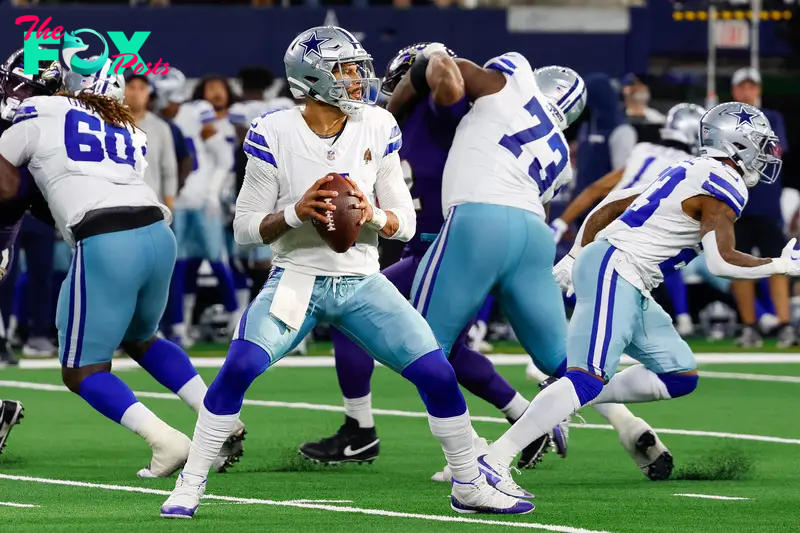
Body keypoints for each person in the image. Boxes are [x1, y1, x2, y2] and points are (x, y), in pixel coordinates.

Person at [160, 26, 532, 519]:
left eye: (357, 67)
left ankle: (467, 483)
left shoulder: (378, 124)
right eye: (346, 69)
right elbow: (245, 228)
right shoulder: (274, 131)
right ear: (312, 77)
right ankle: (190, 483)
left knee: (438, 374)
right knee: (239, 368)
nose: (358, 78)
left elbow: (406, 221)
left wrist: (370, 213)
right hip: (298, 277)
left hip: (361, 280)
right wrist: (298, 212)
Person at [483, 102, 790, 496]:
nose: (765, 155)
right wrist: (781, 264)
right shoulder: (722, 181)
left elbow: (615, 201)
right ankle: (493, 462)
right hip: (620, 268)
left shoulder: (691, 168)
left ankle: (558, 402)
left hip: (627, 273)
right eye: (759, 144)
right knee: (587, 377)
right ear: (736, 142)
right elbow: (721, 261)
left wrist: (578, 253)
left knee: (678, 375)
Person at [408, 54, 672, 488]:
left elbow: (450, 76)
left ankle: (468, 457)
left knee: (417, 345)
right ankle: (626, 421)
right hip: (532, 236)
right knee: (562, 362)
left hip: (479, 220)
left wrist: (419, 79)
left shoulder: (511, 80)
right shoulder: (559, 155)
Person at [298, 43, 549, 472]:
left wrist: (404, 94)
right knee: (442, 351)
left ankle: (366, 432)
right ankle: (527, 418)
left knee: (364, 318)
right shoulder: (390, 130)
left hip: (452, 246)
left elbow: (444, 75)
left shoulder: (440, 113)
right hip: (428, 245)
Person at [0, 57, 245, 477]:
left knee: (81, 370)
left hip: (106, 238)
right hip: (156, 233)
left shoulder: (35, 115)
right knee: (141, 337)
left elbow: (7, 187)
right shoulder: (122, 124)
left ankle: (166, 442)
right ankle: (218, 419)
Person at [552, 103, 706, 336]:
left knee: (581, 284)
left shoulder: (642, 149)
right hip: (634, 232)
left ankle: (565, 328)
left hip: (604, 220)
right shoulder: (690, 167)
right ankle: (679, 319)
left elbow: (597, 188)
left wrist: (562, 221)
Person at [0, 47, 62, 449]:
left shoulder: (35, 131)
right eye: (15, 82)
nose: (17, 93)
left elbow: (15, 189)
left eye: (28, 87)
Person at [150, 70, 238, 348]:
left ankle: (238, 322)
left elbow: (224, 158)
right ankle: (180, 326)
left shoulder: (196, 112)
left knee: (216, 260)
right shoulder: (154, 121)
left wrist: (213, 192)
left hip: (200, 199)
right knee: (178, 267)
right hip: (172, 202)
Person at [728, 67, 794, 347]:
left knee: (778, 265)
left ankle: (784, 324)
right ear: (734, 91)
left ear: (759, 90)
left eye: (752, 87)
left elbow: (772, 150)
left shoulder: (773, 118)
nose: (747, 92)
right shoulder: (723, 118)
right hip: (735, 202)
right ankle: (749, 325)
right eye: (742, 87)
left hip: (766, 204)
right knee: (738, 266)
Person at [573, 73, 637, 196]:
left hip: (601, 207)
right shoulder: (587, 126)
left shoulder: (622, 131)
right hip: (579, 205)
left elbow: (622, 178)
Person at [124, 73, 178, 211]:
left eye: (142, 88)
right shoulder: (109, 124)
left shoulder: (161, 127)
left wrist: (169, 203)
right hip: (117, 206)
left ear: (148, 93)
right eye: (131, 87)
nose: (136, 93)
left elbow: (169, 169)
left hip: (151, 205)